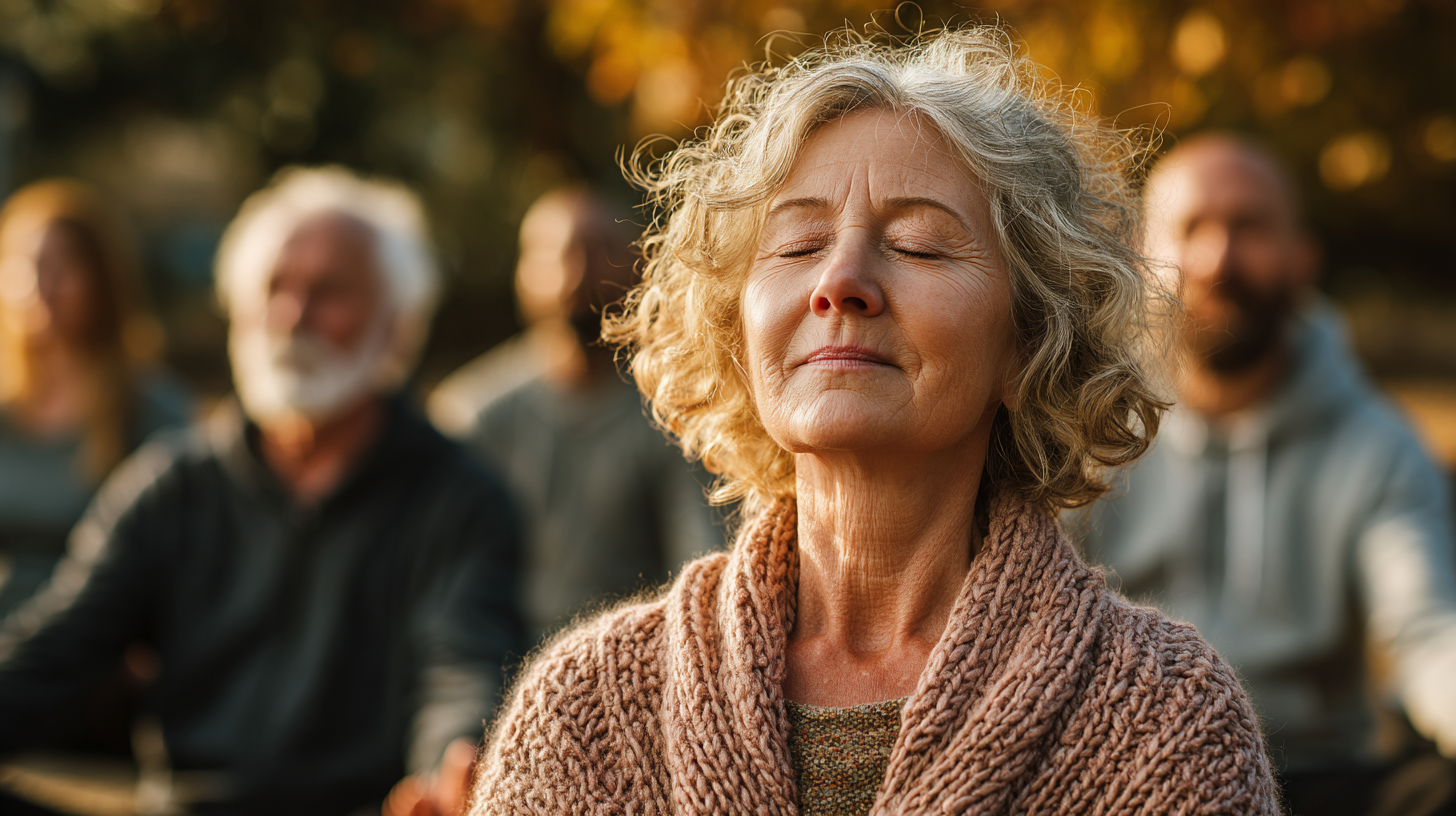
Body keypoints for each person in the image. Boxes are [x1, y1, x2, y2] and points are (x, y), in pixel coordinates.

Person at [470, 27, 1278, 815]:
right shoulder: (584, 713)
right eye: (797, 244)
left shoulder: (1165, 721)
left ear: (1031, 338)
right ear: (736, 331)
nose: (841, 281)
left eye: (920, 245)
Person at [0, 167, 523, 816]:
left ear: (397, 324)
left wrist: (450, 769)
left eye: (328, 291)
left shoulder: (460, 497)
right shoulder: (174, 485)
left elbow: (463, 663)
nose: (291, 315)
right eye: (275, 286)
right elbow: (59, 648)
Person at [1072, 133, 1456, 814]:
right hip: (1121, 777)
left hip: (1317, 779)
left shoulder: (1376, 442)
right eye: (1192, 228)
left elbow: (1427, 631)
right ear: (1142, 257)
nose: (1219, 257)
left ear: (1302, 258)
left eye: (1248, 226)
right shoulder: (1087, 428)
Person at [429, 188, 722, 644]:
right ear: (522, 274)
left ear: (635, 266)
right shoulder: (471, 415)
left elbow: (701, 560)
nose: (579, 271)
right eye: (560, 253)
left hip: (632, 664)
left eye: (600, 250)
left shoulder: (678, 414)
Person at [0, 180, 190, 620]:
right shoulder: (6, 406)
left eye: (60, 266)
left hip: (91, 644)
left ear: (102, 278)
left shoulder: (151, 411)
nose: (39, 285)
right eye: (24, 265)